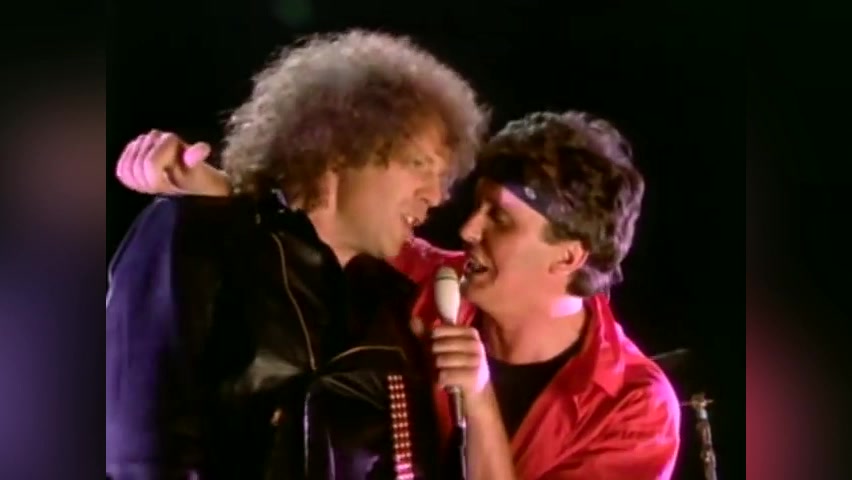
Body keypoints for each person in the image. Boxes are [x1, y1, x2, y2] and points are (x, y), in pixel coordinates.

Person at [116, 112, 681, 479]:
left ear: (569, 257)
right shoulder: (431, 283)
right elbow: (331, 225)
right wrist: (212, 187)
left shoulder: (637, 406)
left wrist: (479, 402)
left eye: (501, 220)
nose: (468, 230)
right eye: (476, 206)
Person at [106, 30, 487, 480]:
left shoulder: (391, 309)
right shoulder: (198, 240)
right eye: (419, 165)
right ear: (341, 149)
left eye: (444, 178)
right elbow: (144, 459)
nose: (436, 196)